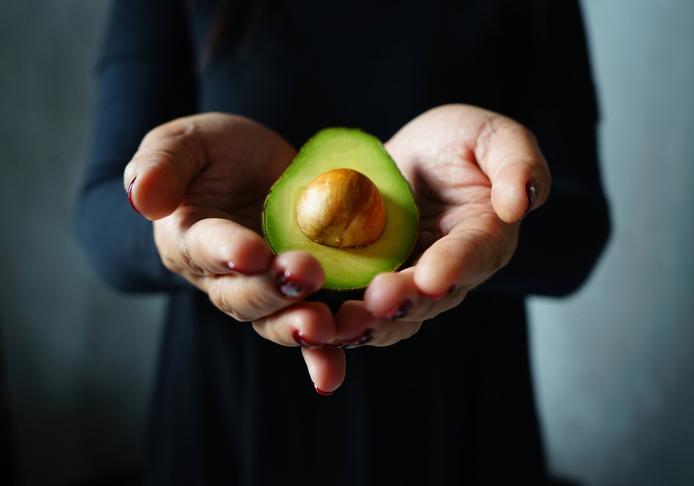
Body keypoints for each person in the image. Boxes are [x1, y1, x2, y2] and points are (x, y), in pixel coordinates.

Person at [75, 0, 610, 484]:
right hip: (231, 403)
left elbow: (578, 231)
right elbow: (102, 214)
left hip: (458, 403)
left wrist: (499, 205)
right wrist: (180, 231)